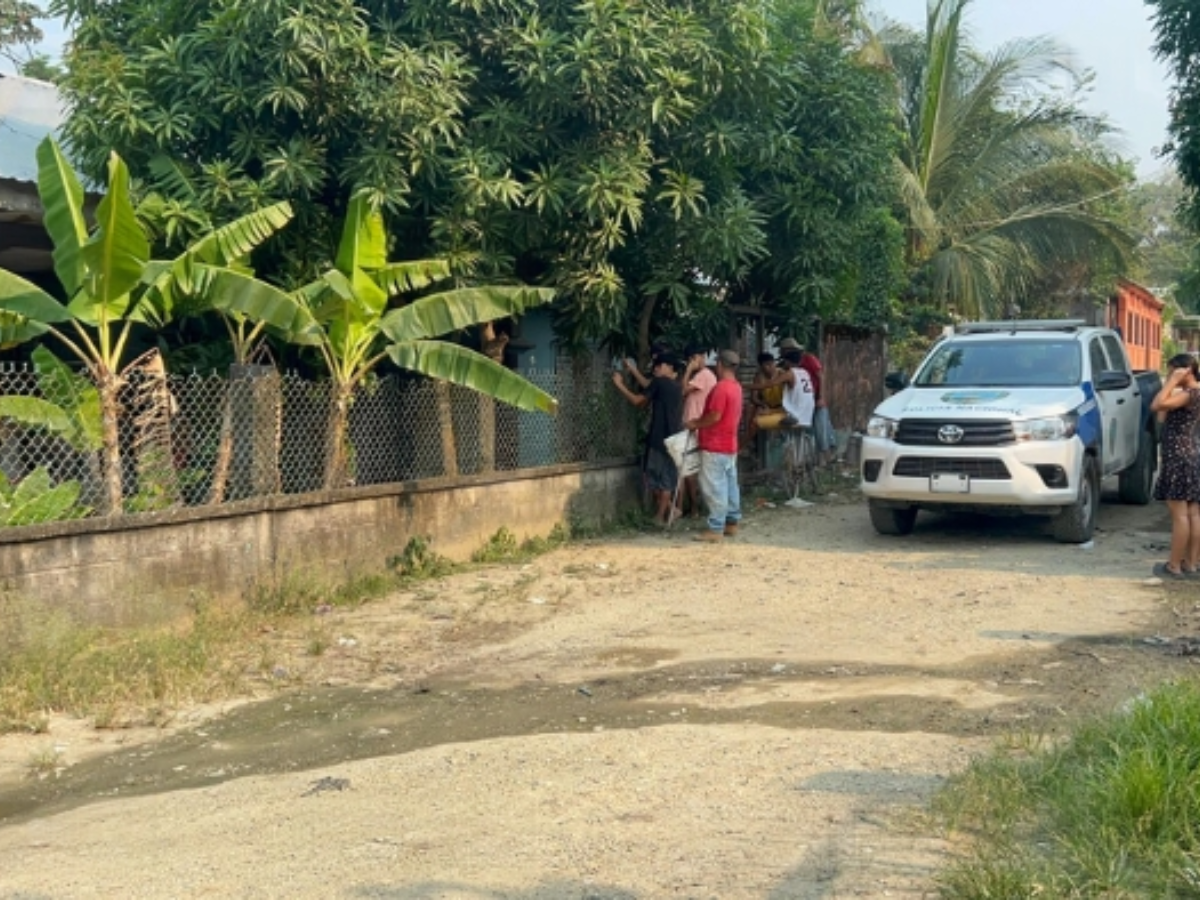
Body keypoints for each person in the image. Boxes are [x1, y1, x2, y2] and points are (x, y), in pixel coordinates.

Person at [612, 353, 684, 525]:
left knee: (654, 479)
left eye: (659, 366)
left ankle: (661, 515)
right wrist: (633, 369)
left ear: (668, 367)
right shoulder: (676, 386)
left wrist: (619, 385)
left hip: (658, 438)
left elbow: (639, 401)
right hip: (674, 438)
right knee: (667, 479)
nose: (656, 369)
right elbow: (648, 385)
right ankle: (671, 512)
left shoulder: (659, 383)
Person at [685, 349, 744, 542]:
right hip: (730, 444)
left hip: (714, 444)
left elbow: (715, 416)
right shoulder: (736, 387)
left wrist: (695, 423)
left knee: (714, 486)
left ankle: (716, 528)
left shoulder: (721, 388)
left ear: (720, 364)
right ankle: (731, 522)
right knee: (730, 484)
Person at [1150, 353, 1200, 579]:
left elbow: (1156, 405)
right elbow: (1162, 416)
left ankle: (1174, 565)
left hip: (1178, 456)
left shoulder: (1189, 394)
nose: (1169, 375)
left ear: (1185, 370)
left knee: (1179, 514)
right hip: (1191, 453)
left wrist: (1170, 383)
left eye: (1172, 370)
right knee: (1192, 512)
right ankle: (1191, 563)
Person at [680, 346, 717, 516]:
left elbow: (682, 390)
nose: (694, 361)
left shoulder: (703, 376)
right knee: (692, 470)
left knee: (690, 470)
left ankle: (695, 507)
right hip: (695, 426)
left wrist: (688, 370)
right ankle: (696, 506)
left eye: (695, 358)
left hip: (696, 427)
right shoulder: (704, 376)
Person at [747, 352, 785, 441]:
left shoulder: (782, 373)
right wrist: (761, 403)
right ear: (761, 366)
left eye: (772, 364)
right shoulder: (759, 377)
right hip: (767, 406)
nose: (771, 367)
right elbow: (753, 397)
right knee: (752, 416)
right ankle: (752, 441)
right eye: (767, 365)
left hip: (782, 406)